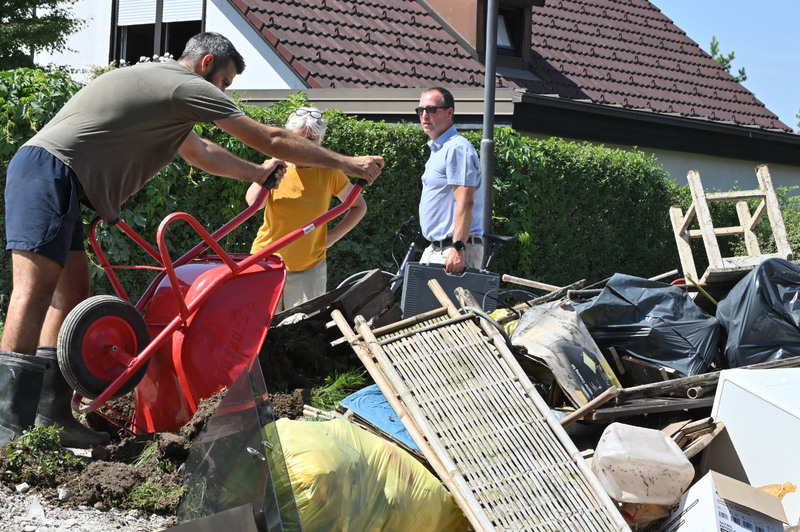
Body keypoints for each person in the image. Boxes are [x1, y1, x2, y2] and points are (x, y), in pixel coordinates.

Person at [1, 32, 384, 448]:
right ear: (206, 65)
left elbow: (202, 153)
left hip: (65, 181)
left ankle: (50, 415)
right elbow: (270, 139)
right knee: (34, 291)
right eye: (225, 83)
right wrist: (349, 162)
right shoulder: (185, 86)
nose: (222, 94)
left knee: (72, 293)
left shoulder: (166, 97)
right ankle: (7, 423)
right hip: (49, 171)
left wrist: (256, 175)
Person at [245, 107, 367, 311]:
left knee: (301, 332)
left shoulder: (329, 173)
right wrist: (271, 168)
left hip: (309, 268)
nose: (302, 144)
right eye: (297, 138)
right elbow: (252, 203)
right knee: (261, 329)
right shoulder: (275, 167)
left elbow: (358, 206)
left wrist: (333, 236)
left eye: (310, 139)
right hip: (266, 262)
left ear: (319, 143)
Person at [416, 87, 484, 274]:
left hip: (453, 250)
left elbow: (466, 201)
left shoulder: (456, 148)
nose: (424, 115)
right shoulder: (439, 149)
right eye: (420, 111)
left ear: (449, 112)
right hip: (436, 249)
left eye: (431, 110)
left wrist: (458, 247)